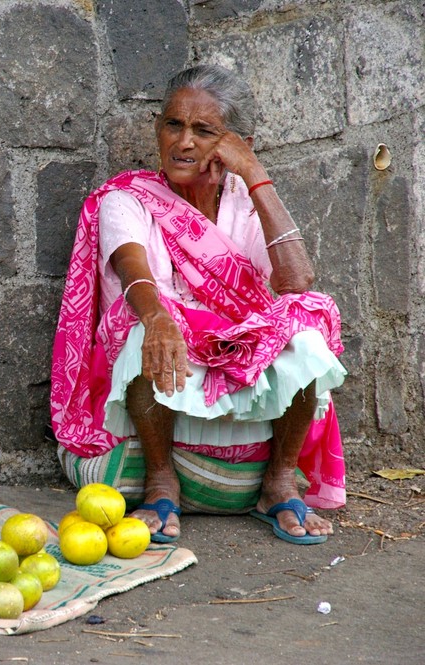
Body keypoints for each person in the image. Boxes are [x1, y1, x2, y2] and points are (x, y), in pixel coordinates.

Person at [50, 64, 346, 545]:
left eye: (203, 131)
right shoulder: (127, 198)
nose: (183, 142)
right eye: (173, 124)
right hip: (168, 366)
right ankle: (161, 478)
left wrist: (254, 172)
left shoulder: (243, 201)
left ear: (234, 142)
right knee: (142, 324)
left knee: (308, 324)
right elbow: (133, 271)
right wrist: (157, 316)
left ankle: (277, 481)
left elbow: (296, 282)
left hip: (232, 361)